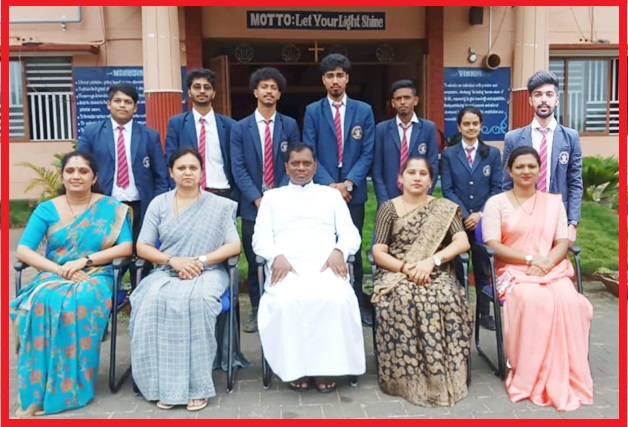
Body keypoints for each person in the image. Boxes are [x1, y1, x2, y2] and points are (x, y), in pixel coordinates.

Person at [10, 151, 133, 417]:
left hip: (96, 274)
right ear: (63, 176)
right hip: (55, 273)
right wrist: (60, 269)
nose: (76, 176)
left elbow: (126, 247)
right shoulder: (47, 209)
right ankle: (36, 393)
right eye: (70, 171)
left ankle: (70, 389)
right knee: (40, 302)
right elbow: (24, 250)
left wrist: (84, 261)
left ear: (94, 178)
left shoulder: (111, 207)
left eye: (83, 171)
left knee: (78, 300)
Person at [129, 147, 241, 411]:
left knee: (199, 302)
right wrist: (173, 261)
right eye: (181, 168)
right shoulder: (159, 204)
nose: (187, 172)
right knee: (150, 301)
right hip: (168, 270)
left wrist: (200, 261)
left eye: (193, 167)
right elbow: (142, 246)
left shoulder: (219, 205)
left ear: (202, 172)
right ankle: (161, 385)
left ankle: (196, 386)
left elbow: (234, 245)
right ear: (171, 172)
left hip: (209, 271)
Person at [482, 146, 593, 412]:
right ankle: (530, 370)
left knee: (572, 303)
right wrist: (530, 259)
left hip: (550, 267)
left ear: (539, 170)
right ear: (509, 171)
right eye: (519, 166)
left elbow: (562, 241)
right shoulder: (496, 203)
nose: (526, 171)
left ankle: (564, 369)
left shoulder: (553, 203)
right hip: (512, 270)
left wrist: (546, 264)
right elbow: (493, 244)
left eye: (531, 166)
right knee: (534, 300)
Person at [252, 143, 365, 393]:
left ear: (315, 166)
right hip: (286, 267)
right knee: (286, 302)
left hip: (326, 266)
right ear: (286, 167)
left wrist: (340, 251)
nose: (301, 168)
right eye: (295, 163)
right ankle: (296, 369)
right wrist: (275, 255)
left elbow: (350, 233)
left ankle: (326, 368)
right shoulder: (272, 198)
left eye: (306, 163)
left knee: (337, 299)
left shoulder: (331, 196)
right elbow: (259, 238)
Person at [371, 156, 473, 407]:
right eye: (411, 172)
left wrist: (432, 261)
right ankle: (408, 378)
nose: (417, 177)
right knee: (405, 298)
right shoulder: (388, 208)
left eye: (423, 174)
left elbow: (462, 242)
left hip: (435, 271)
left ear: (430, 181)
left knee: (448, 297)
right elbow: (378, 251)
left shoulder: (444, 208)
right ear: (400, 179)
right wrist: (405, 268)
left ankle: (448, 373)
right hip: (398, 272)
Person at [302, 53, 375, 326]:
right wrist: (331, 186)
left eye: (340, 75)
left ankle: (355, 302)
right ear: (323, 80)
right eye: (330, 76)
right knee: (324, 246)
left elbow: (368, 152)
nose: (335, 80)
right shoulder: (313, 111)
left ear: (347, 78)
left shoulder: (363, 110)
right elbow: (309, 151)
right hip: (323, 192)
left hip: (353, 193)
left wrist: (348, 183)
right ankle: (325, 303)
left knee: (352, 247)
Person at [77, 82, 168, 286]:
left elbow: (161, 176)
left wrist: (156, 206)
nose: (122, 105)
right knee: (106, 257)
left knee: (142, 258)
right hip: (105, 206)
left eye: (128, 102)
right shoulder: (92, 132)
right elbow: (80, 167)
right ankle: (108, 297)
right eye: (117, 101)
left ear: (135, 107)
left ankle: (139, 297)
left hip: (140, 207)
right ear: (108, 104)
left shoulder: (149, 135)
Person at [231, 67, 300, 333]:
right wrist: (257, 198)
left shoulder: (289, 125)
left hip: (283, 202)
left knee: (284, 254)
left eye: (273, 87)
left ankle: (284, 305)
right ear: (255, 92)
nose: (269, 91)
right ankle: (257, 308)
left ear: (279, 94)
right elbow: (238, 167)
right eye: (264, 87)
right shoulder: (240, 127)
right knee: (255, 257)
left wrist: (277, 195)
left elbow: (293, 162)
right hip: (253, 205)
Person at [501, 70, 583, 244]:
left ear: (557, 100)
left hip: (558, 219)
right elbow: (507, 184)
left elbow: (575, 183)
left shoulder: (571, 137)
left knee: (555, 261)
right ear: (530, 100)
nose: (544, 99)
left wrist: (572, 224)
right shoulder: (513, 138)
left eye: (549, 94)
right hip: (523, 218)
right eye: (538, 95)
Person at [440, 106, 503, 331]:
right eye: (466, 124)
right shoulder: (449, 154)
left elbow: (497, 188)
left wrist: (479, 214)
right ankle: (459, 312)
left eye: (475, 123)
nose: (471, 127)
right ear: (459, 127)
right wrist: (466, 214)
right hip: (458, 220)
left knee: (483, 267)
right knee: (458, 266)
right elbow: (447, 189)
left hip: (483, 221)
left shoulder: (492, 153)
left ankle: (484, 313)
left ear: (480, 125)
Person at [165, 68, 237, 200]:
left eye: (207, 87)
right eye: (197, 87)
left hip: (223, 193)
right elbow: (170, 159)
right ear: (189, 92)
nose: (202, 91)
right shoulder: (177, 124)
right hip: (188, 193)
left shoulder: (230, 125)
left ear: (213, 93)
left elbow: (237, 161)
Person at [372, 79, 439, 206]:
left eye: (407, 98)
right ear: (393, 103)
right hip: (390, 197)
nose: (402, 102)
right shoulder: (381, 129)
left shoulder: (428, 128)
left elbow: (433, 166)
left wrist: (423, 196)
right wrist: (385, 202)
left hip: (419, 198)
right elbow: (377, 170)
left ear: (415, 100)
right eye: (398, 99)